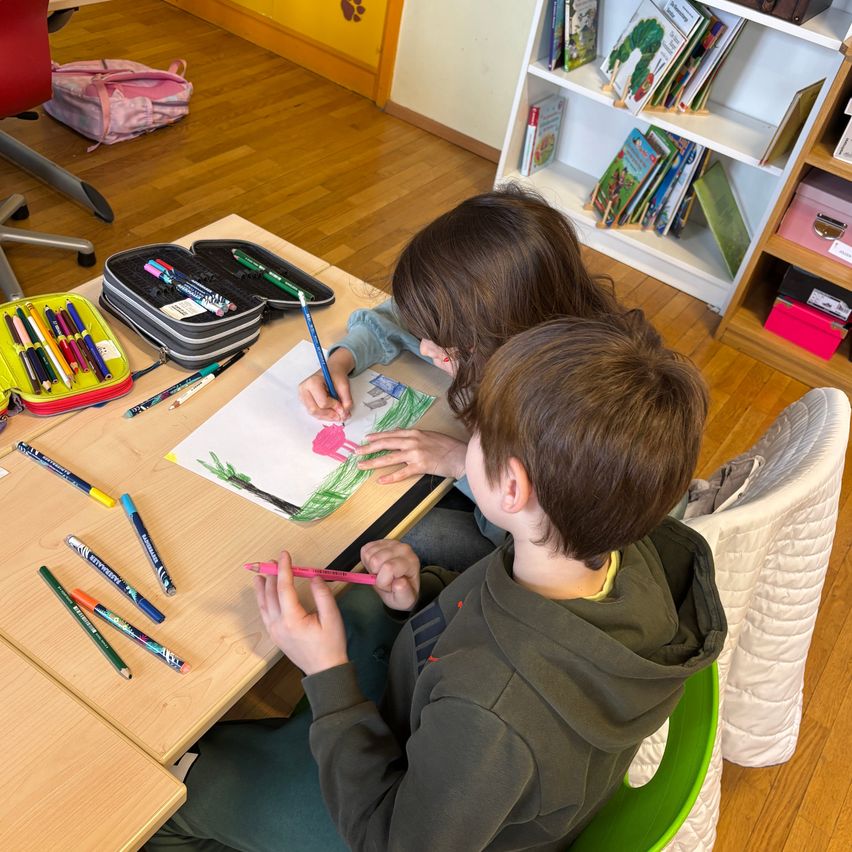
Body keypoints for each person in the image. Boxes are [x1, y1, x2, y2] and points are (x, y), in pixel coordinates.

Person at [150, 314, 726, 852]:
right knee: (353, 620)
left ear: (512, 489)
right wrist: (424, 592)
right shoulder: (611, 555)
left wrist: (326, 676)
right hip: (453, 745)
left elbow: (395, 838)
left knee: (173, 787)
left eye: (475, 433)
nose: (464, 438)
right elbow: (486, 611)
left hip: (397, 817)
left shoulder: (493, 711)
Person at [299, 184, 622, 571]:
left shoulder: (566, 413)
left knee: (388, 535)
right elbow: (397, 315)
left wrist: (460, 463)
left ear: (502, 332)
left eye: (447, 346)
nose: (425, 349)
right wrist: (340, 360)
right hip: (490, 480)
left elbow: (539, 538)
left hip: (519, 540)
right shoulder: (513, 319)